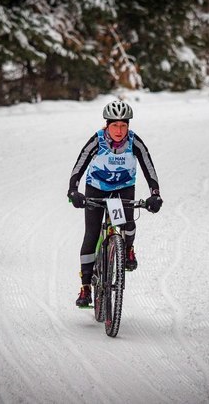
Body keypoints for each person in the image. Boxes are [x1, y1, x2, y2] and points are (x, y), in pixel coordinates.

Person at [68, 100, 163, 307]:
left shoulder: (134, 141)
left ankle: (127, 248)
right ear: (107, 125)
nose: (119, 130)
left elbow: (148, 165)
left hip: (122, 190)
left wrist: (155, 193)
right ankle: (85, 287)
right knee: (91, 235)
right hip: (96, 189)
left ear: (128, 126)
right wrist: (73, 190)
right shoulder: (98, 140)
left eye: (123, 125)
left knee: (126, 223)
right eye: (114, 125)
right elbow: (80, 162)